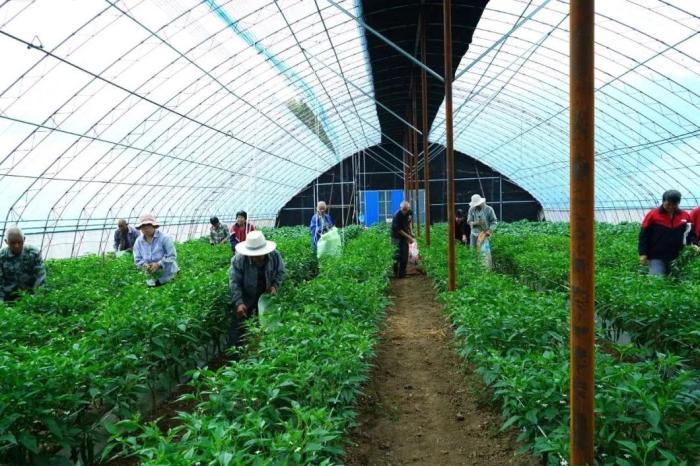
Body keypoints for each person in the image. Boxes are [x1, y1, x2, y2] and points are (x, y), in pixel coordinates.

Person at [229, 230, 285, 347]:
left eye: (259, 256)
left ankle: (263, 349)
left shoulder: (274, 256)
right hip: (245, 298)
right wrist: (239, 302)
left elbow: (281, 272)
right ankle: (237, 356)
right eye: (253, 256)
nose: (256, 259)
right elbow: (234, 282)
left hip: (265, 297)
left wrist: (274, 286)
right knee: (239, 328)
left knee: (266, 325)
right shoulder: (239, 260)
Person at [639, 190, 696, 276]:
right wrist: (643, 253)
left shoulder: (684, 215)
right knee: (657, 279)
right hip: (656, 254)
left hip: (677, 255)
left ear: (678, 203)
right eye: (668, 204)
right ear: (663, 201)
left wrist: (693, 244)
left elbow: (690, 233)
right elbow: (644, 235)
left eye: (674, 204)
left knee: (676, 280)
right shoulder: (653, 214)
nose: (671, 207)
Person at [0, 227, 46, 303]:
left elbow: (40, 278)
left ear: (24, 239)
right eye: (13, 243)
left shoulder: (33, 253)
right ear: (6, 242)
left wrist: (36, 300)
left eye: (19, 242)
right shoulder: (2, 257)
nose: (17, 245)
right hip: (7, 299)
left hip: (29, 298)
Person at [133, 214, 179, 287]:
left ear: (153, 226)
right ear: (140, 228)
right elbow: (137, 259)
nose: (146, 228)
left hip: (169, 276)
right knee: (154, 296)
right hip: (152, 279)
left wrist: (159, 264)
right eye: (143, 226)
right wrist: (145, 265)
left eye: (148, 225)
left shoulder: (164, 238)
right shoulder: (138, 241)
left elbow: (172, 256)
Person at [391, 201, 415, 278]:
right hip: (396, 237)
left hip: (404, 236)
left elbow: (409, 222)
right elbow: (399, 230)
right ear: (400, 208)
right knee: (396, 255)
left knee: (404, 255)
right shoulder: (397, 216)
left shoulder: (409, 212)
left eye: (406, 209)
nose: (405, 211)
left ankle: (402, 273)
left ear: (408, 208)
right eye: (403, 209)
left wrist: (411, 232)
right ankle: (395, 273)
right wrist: (409, 237)